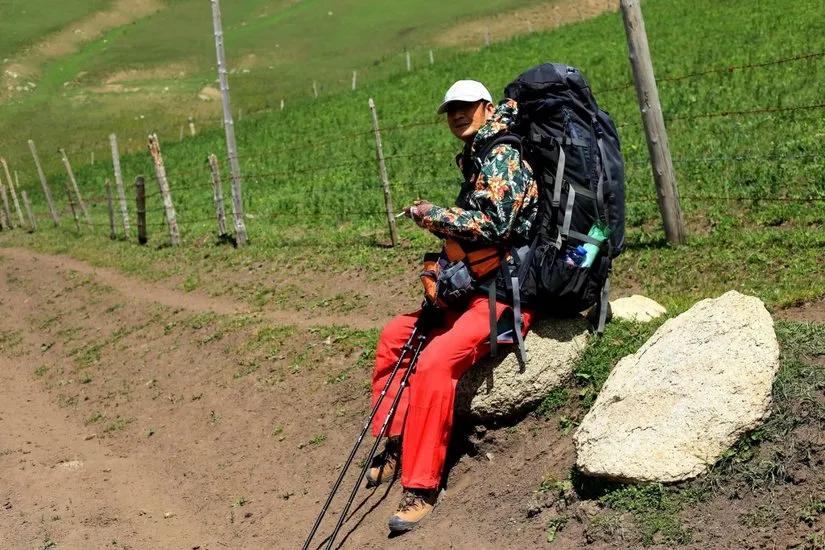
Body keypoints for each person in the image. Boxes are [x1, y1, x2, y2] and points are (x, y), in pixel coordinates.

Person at [367, 80, 539, 533]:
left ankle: (420, 487)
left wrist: (433, 215)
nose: (457, 116)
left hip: (504, 294)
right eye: (450, 110)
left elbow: (495, 224)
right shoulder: (477, 157)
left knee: (434, 362)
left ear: (485, 107)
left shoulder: (501, 154)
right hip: (470, 290)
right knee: (393, 337)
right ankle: (396, 442)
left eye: (465, 107)